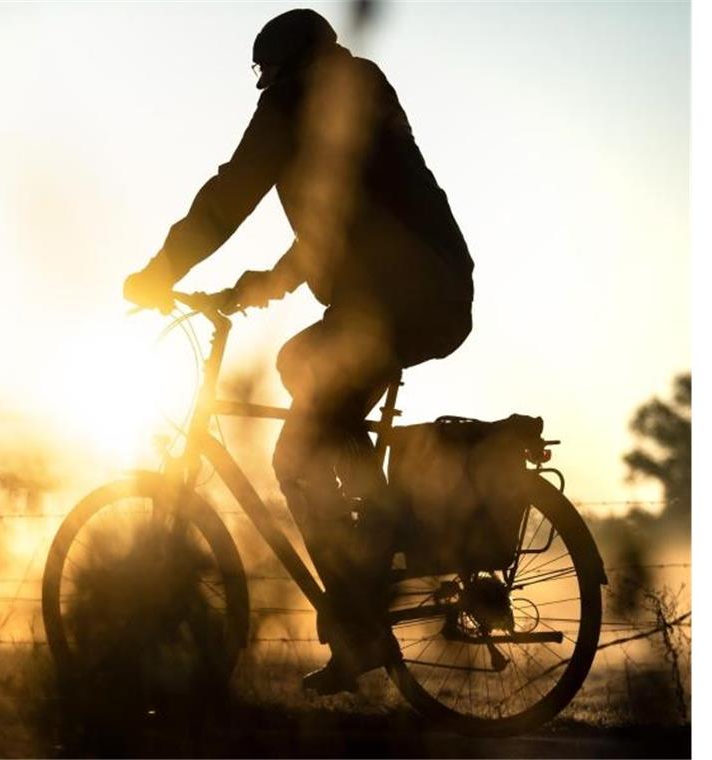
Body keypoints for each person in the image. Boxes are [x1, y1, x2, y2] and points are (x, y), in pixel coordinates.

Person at [123, 8, 474, 695]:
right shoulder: (354, 88)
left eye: (268, 74)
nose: (266, 87)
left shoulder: (301, 99)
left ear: (286, 67)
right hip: (426, 286)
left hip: (404, 296)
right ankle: (361, 610)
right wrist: (263, 285)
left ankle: (373, 567)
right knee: (305, 425)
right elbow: (341, 213)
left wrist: (161, 270)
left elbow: (231, 194)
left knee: (298, 406)